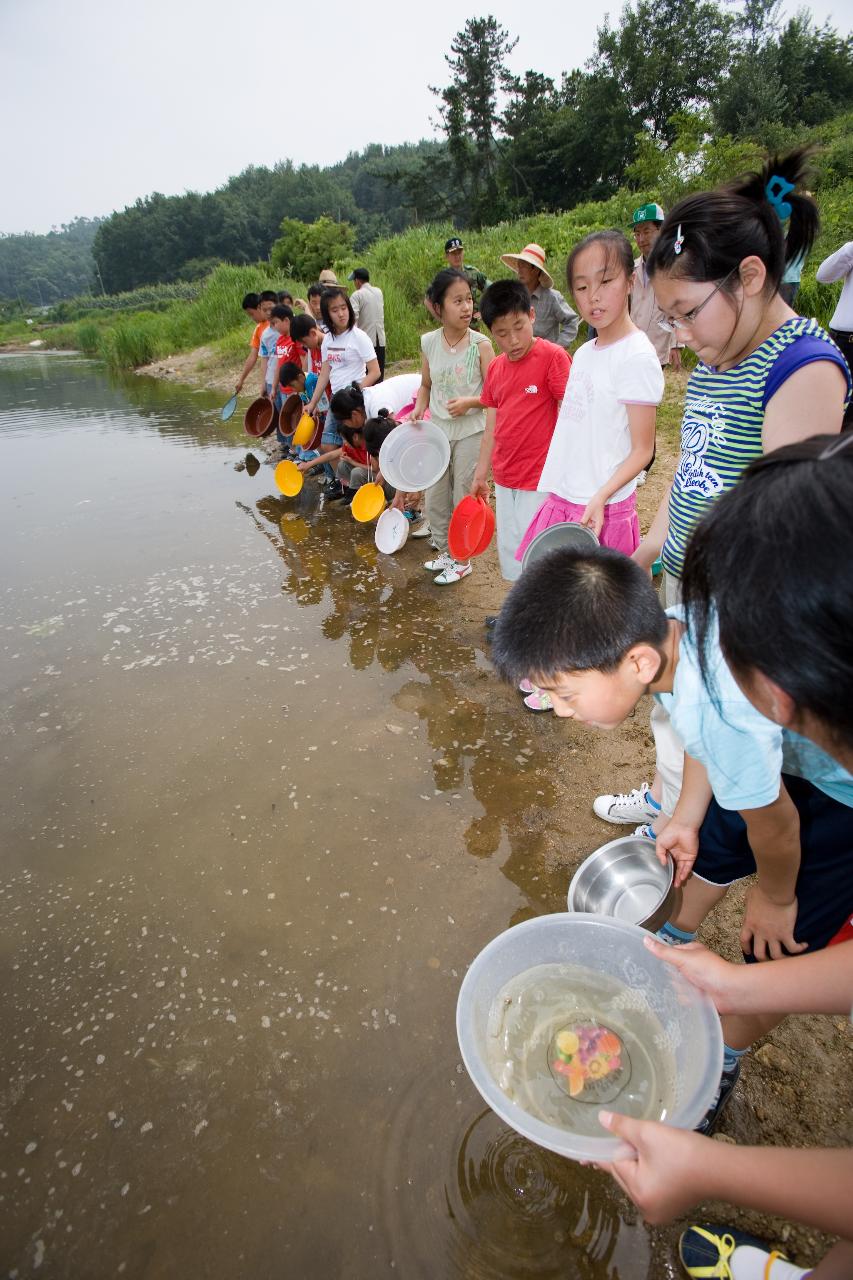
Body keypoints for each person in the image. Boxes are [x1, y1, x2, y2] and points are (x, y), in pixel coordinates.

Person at [594, 436, 853, 1280]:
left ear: (779, 692)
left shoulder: (743, 718)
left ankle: (723, 1071)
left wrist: (710, 1171)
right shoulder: (732, 690)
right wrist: (738, 983)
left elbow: (773, 821)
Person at [490, 542, 853, 1134]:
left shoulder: (721, 713)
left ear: (636, 663)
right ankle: (668, 938)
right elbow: (702, 730)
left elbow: (778, 825)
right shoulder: (683, 633)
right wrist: (686, 812)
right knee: (705, 843)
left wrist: (775, 896)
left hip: (839, 797)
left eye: (565, 693)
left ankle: (724, 1055)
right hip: (773, 753)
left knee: (783, 945)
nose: (558, 710)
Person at [600, 148, 850, 837]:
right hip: (688, 571)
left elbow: (783, 530)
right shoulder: (720, 351)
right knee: (670, 706)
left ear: (748, 277)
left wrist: (721, 619)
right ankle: (663, 797)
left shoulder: (802, 365)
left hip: (735, 599)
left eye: (684, 312)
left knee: (707, 721)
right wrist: (653, 541)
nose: (677, 334)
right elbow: (693, 463)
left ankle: (692, 826)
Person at [511, 230, 662, 710]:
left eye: (606, 281)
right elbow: (573, 430)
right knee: (554, 588)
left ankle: (575, 683)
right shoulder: (583, 353)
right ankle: (557, 671)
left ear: (631, 279)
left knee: (590, 603)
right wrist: (554, 485)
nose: (593, 297)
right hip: (567, 493)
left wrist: (599, 495)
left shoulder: (637, 356)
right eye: (581, 286)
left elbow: (643, 450)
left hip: (603, 503)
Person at [467, 279, 571, 584]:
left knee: (539, 552)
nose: (513, 339)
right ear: (491, 332)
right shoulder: (497, 368)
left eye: (519, 326)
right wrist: (480, 475)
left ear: (532, 315)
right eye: (502, 333)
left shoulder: (553, 357)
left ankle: (540, 623)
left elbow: (571, 417)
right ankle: (519, 612)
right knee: (512, 549)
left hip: (539, 479)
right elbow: (492, 425)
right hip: (505, 476)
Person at [404, 269, 494, 585]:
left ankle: (463, 558)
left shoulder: (481, 345)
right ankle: (446, 550)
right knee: (436, 496)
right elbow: (426, 385)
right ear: (439, 307)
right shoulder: (429, 342)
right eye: (458, 301)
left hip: (472, 431)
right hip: (438, 432)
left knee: (462, 497)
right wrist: (418, 407)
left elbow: (494, 395)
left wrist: (470, 402)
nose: (467, 307)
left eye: (469, 299)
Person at [302, 288, 380, 499]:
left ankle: (370, 485)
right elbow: (325, 372)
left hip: (355, 400)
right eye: (335, 310)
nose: (341, 313)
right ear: (328, 314)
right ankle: (346, 485)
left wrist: (357, 390)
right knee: (328, 445)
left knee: (362, 446)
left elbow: (375, 371)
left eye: (344, 308)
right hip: (337, 401)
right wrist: (312, 402)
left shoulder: (358, 336)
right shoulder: (328, 340)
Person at [629, 203, 682, 370]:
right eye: (637, 233)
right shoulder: (632, 268)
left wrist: (676, 343)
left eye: (646, 232)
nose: (641, 239)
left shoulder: (673, 265)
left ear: (661, 231)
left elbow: (680, 307)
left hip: (657, 344)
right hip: (632, 344)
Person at [499, 243, 578, 350]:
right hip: (520, 355)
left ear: (535, 270)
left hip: (546, 357)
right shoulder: (514, 297)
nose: (520, 270)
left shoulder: (552, 297)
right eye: (519, 265)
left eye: (524, 266)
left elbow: (571, 321)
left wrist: (557, 348)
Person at [815, 238, 853, 428]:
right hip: (842, 341)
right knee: (829, 406)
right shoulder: (851, 251)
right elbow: (823, 276)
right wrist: (850, 249)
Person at [234, 290, 276, 395]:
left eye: (252, 314)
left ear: (259, 307)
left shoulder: (277, 324)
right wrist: (241, 380)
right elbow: (253, 356)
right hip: (269, 378)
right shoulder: (259, 329)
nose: (252, 318)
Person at [348, 268, 386, 379]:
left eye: (354, 281)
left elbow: (353, 319)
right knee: (379, 375)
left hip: (365, 341)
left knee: (367, 376)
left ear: (358, 281)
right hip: (380, 339)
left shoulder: (357, 295)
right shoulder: (378, 292)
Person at [443, 237, 490, 323]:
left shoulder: (473, 273)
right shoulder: (443, 278)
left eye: (459, 252)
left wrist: (484, 311)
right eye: (453, 253)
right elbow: (429, 300)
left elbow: (493, 290)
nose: (457, 256)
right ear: (447, 256)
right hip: (453, 327)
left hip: (473, 327)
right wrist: (442, 319)